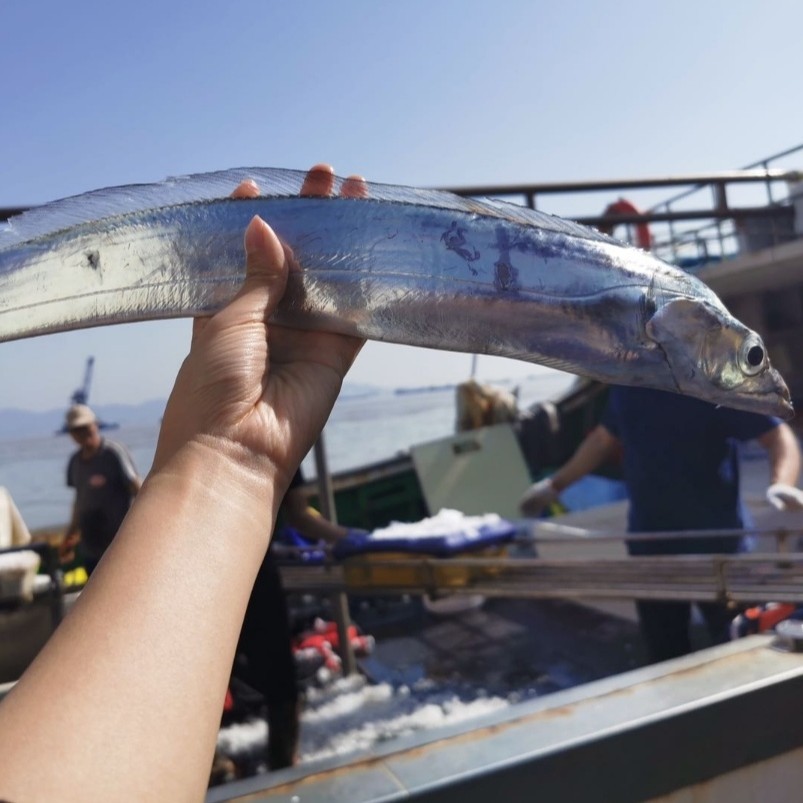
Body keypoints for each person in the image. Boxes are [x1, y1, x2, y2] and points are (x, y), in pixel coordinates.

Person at [0, 163, 366, 802]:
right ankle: (255, 766)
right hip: (198, 554)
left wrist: (227, 457)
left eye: (85, 431)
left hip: (235, 559)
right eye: (78, 433)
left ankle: (279, 765)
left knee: (270, 676)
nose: (83, 439)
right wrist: (227, 456)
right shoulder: (81, 464)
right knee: (248, 677)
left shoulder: (110, 456)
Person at [519, 384, 803, 663]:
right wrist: (553, 487)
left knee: (739, 647)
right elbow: (602, 440)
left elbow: (777, 435)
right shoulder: (628, 385)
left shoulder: (708, 384)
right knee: (666, 654)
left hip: (718, 547)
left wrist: (782, 485)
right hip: (651, 547)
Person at [235, 466, 352, 771]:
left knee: (278, 681)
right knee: (276, 682)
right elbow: (299, 514)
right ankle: (278, 765)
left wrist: (347, 538)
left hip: (247, 576)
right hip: (236, 578)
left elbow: (298, 514)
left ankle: (281, 762)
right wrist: (348, 537)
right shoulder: (285, 440)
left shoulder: (286, 444)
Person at [61, 403, 142, 575]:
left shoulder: (113, 453)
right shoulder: (75, 462)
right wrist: (70, 536)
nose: (82, 433)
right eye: (76, 429)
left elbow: (137, 489)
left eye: (85, 427)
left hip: (121, 544)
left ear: (95, 424)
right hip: (91, 547)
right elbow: (79, 501)